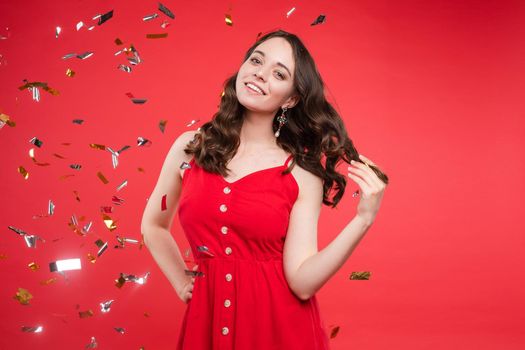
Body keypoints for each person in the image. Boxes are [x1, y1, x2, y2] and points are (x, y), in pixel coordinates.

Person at [141, 29, 388, 349]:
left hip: (279, 329)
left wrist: (363, 219)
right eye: (256, 60)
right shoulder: (191, 148)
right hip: (207, 324)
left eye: (279, 73)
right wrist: (180, 281)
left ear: (291, 98)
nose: (260, 73)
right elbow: (153, 225)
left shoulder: (300, 172)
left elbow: (301, 283)